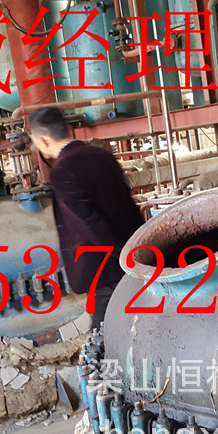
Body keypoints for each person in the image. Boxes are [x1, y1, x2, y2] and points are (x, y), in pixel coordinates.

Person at [27, 107, 144, 329]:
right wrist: (138, 255)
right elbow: (128, 205)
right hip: (132, 256)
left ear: (43, 140)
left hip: (105, 268)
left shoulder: (62, 171)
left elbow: (90, 225)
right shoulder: (102, 156)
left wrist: (124, 259)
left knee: (105, 335)